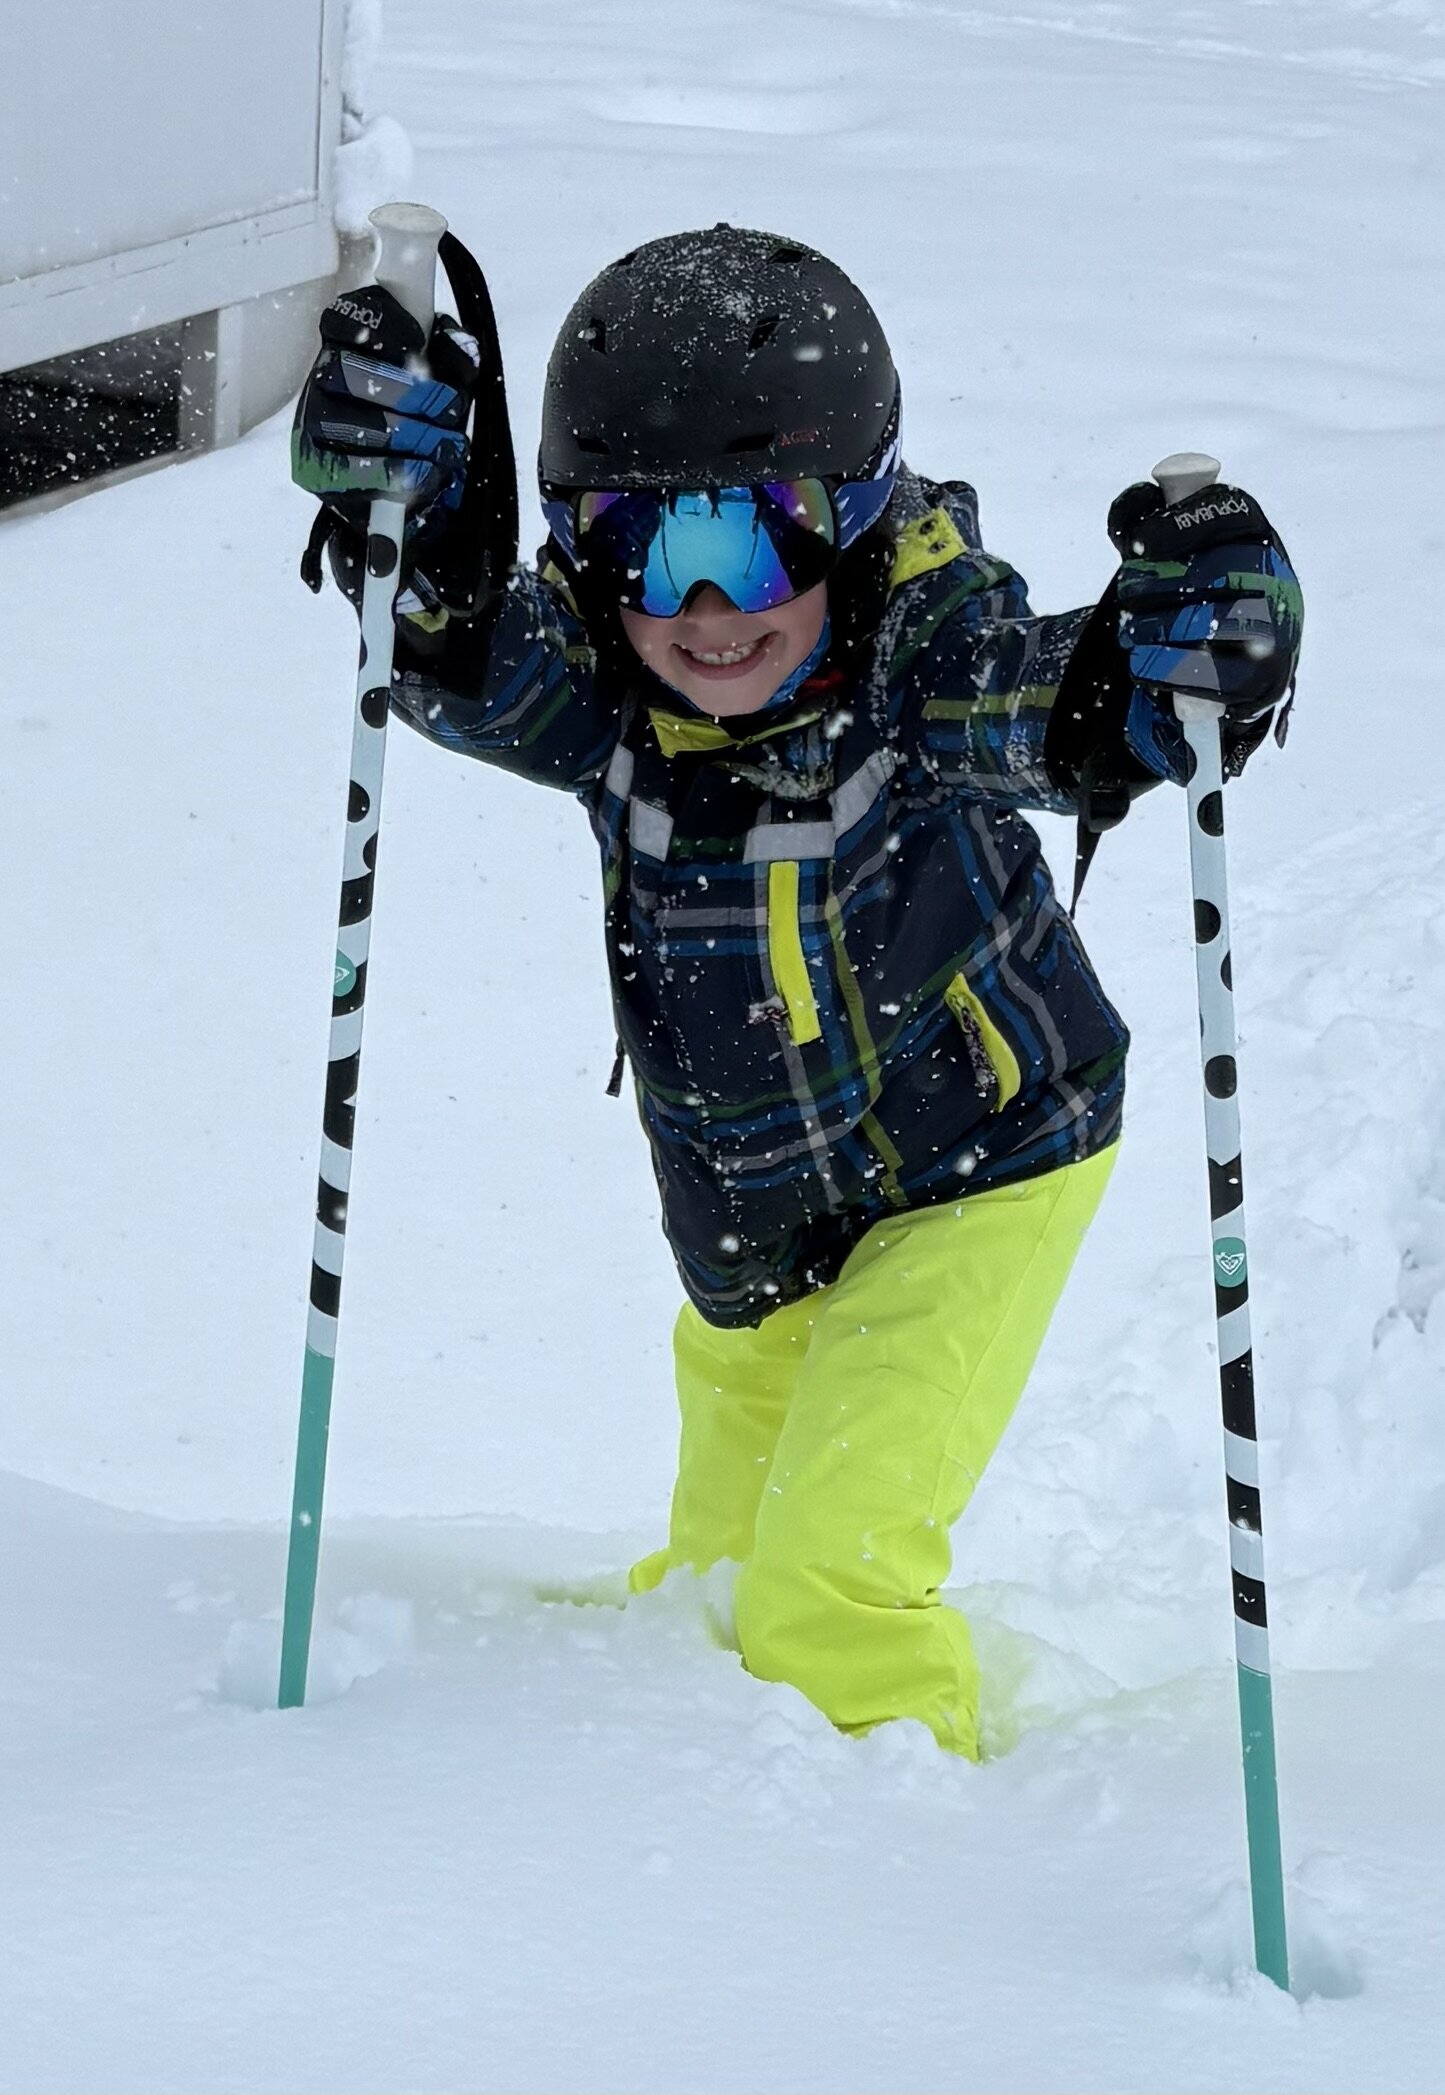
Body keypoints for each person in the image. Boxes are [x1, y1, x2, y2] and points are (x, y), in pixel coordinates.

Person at [291, 224, 1302, 1759]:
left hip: (981, 1159)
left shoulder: (915, 654)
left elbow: (1043, 705)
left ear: (864, 513)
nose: (706, 607)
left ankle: (900, 1860)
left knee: (823, 1596)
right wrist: (416, 535)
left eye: (759, 539)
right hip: (748, 1218)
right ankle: (690, 1832)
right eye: (641, 544)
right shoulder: (607, 688)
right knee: (712, 1585)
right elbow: (464, 660)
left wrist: (1159, 674)